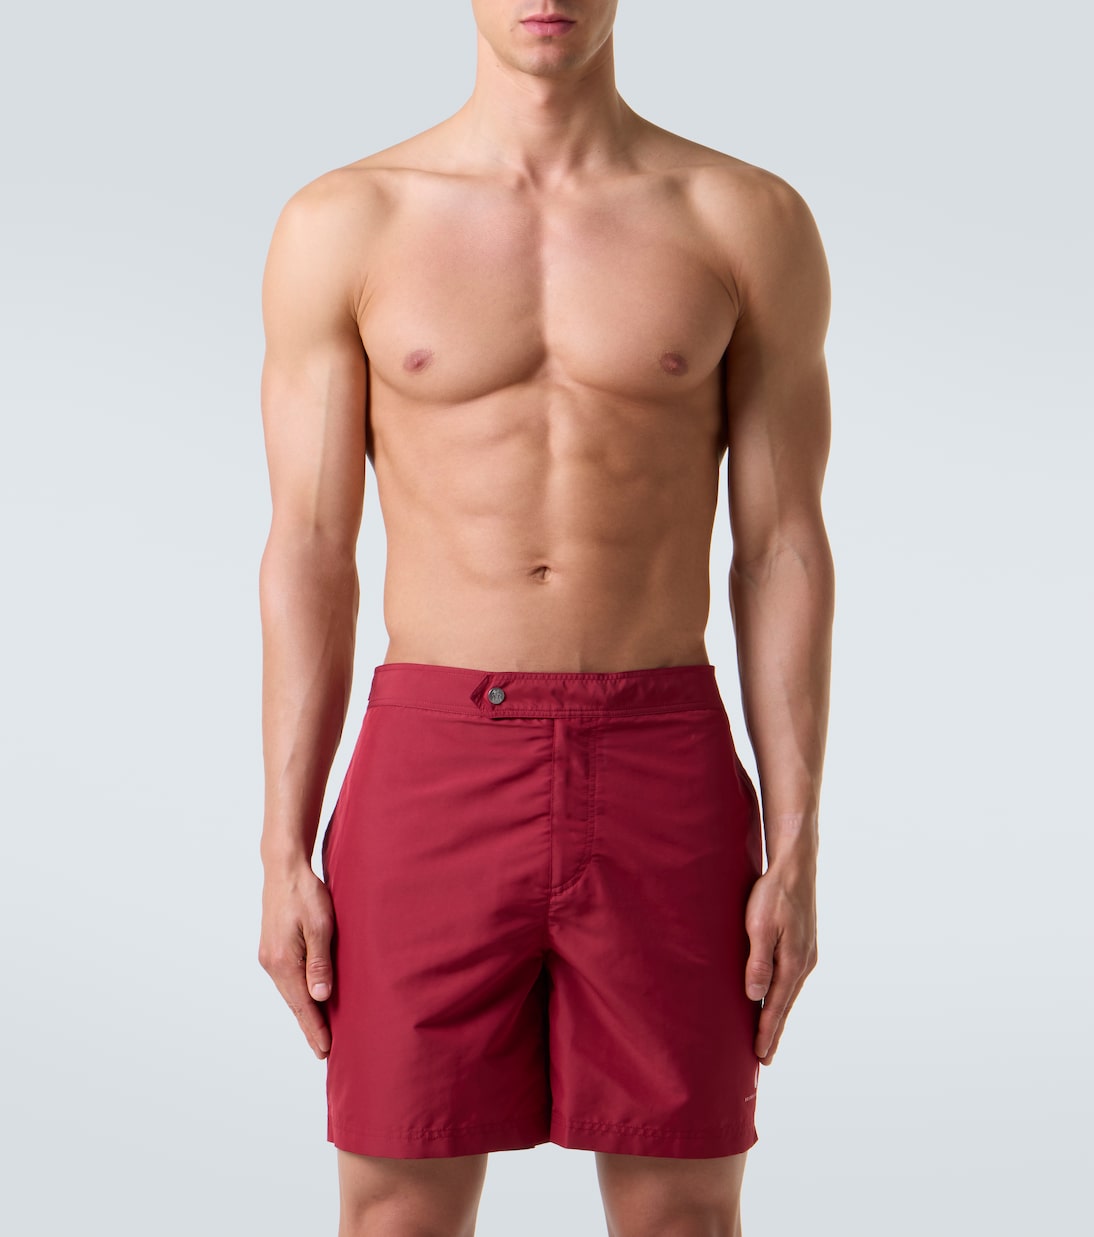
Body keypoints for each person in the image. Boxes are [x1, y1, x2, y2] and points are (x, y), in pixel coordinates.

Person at [257, 2, 833, 1233]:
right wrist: (280, 846)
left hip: (658, 750)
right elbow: (308, 549)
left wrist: (796, 844)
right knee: (394, 1209)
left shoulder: (740, 218)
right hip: (432, 757)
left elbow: (781, 543)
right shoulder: (346, 222)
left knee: (681, 1211)